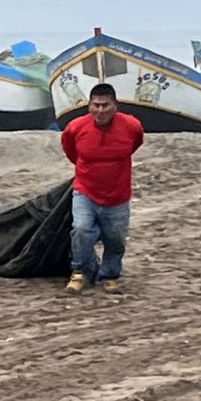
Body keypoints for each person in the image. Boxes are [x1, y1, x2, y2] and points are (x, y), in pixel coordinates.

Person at [60, 82, 144, 294]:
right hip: (85, 191)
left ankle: (110, 275)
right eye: (95, 105)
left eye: (105, 105)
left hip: (118, 196)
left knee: (115, 238)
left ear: (115, 105)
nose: (100, 110)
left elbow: (135, 143)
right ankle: (79, 273)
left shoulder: (132, 126)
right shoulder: (76, 127)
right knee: (81, 229)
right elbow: (70, 151)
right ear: (89, 106)